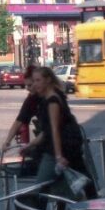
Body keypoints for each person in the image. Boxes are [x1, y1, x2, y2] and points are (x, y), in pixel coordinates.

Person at [24, 66, 96, 199]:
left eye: (38, 80)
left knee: (39, 188)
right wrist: (30, 145)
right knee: (69, 182)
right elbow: (47, 131)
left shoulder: (52, 101)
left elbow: (54, 129)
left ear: (48, 80)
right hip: (68, 146)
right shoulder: (52, 97)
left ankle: (82, 203)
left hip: (59, 149)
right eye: (34, 81)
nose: (35, 84)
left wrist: (58, 156)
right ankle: (87, 205)